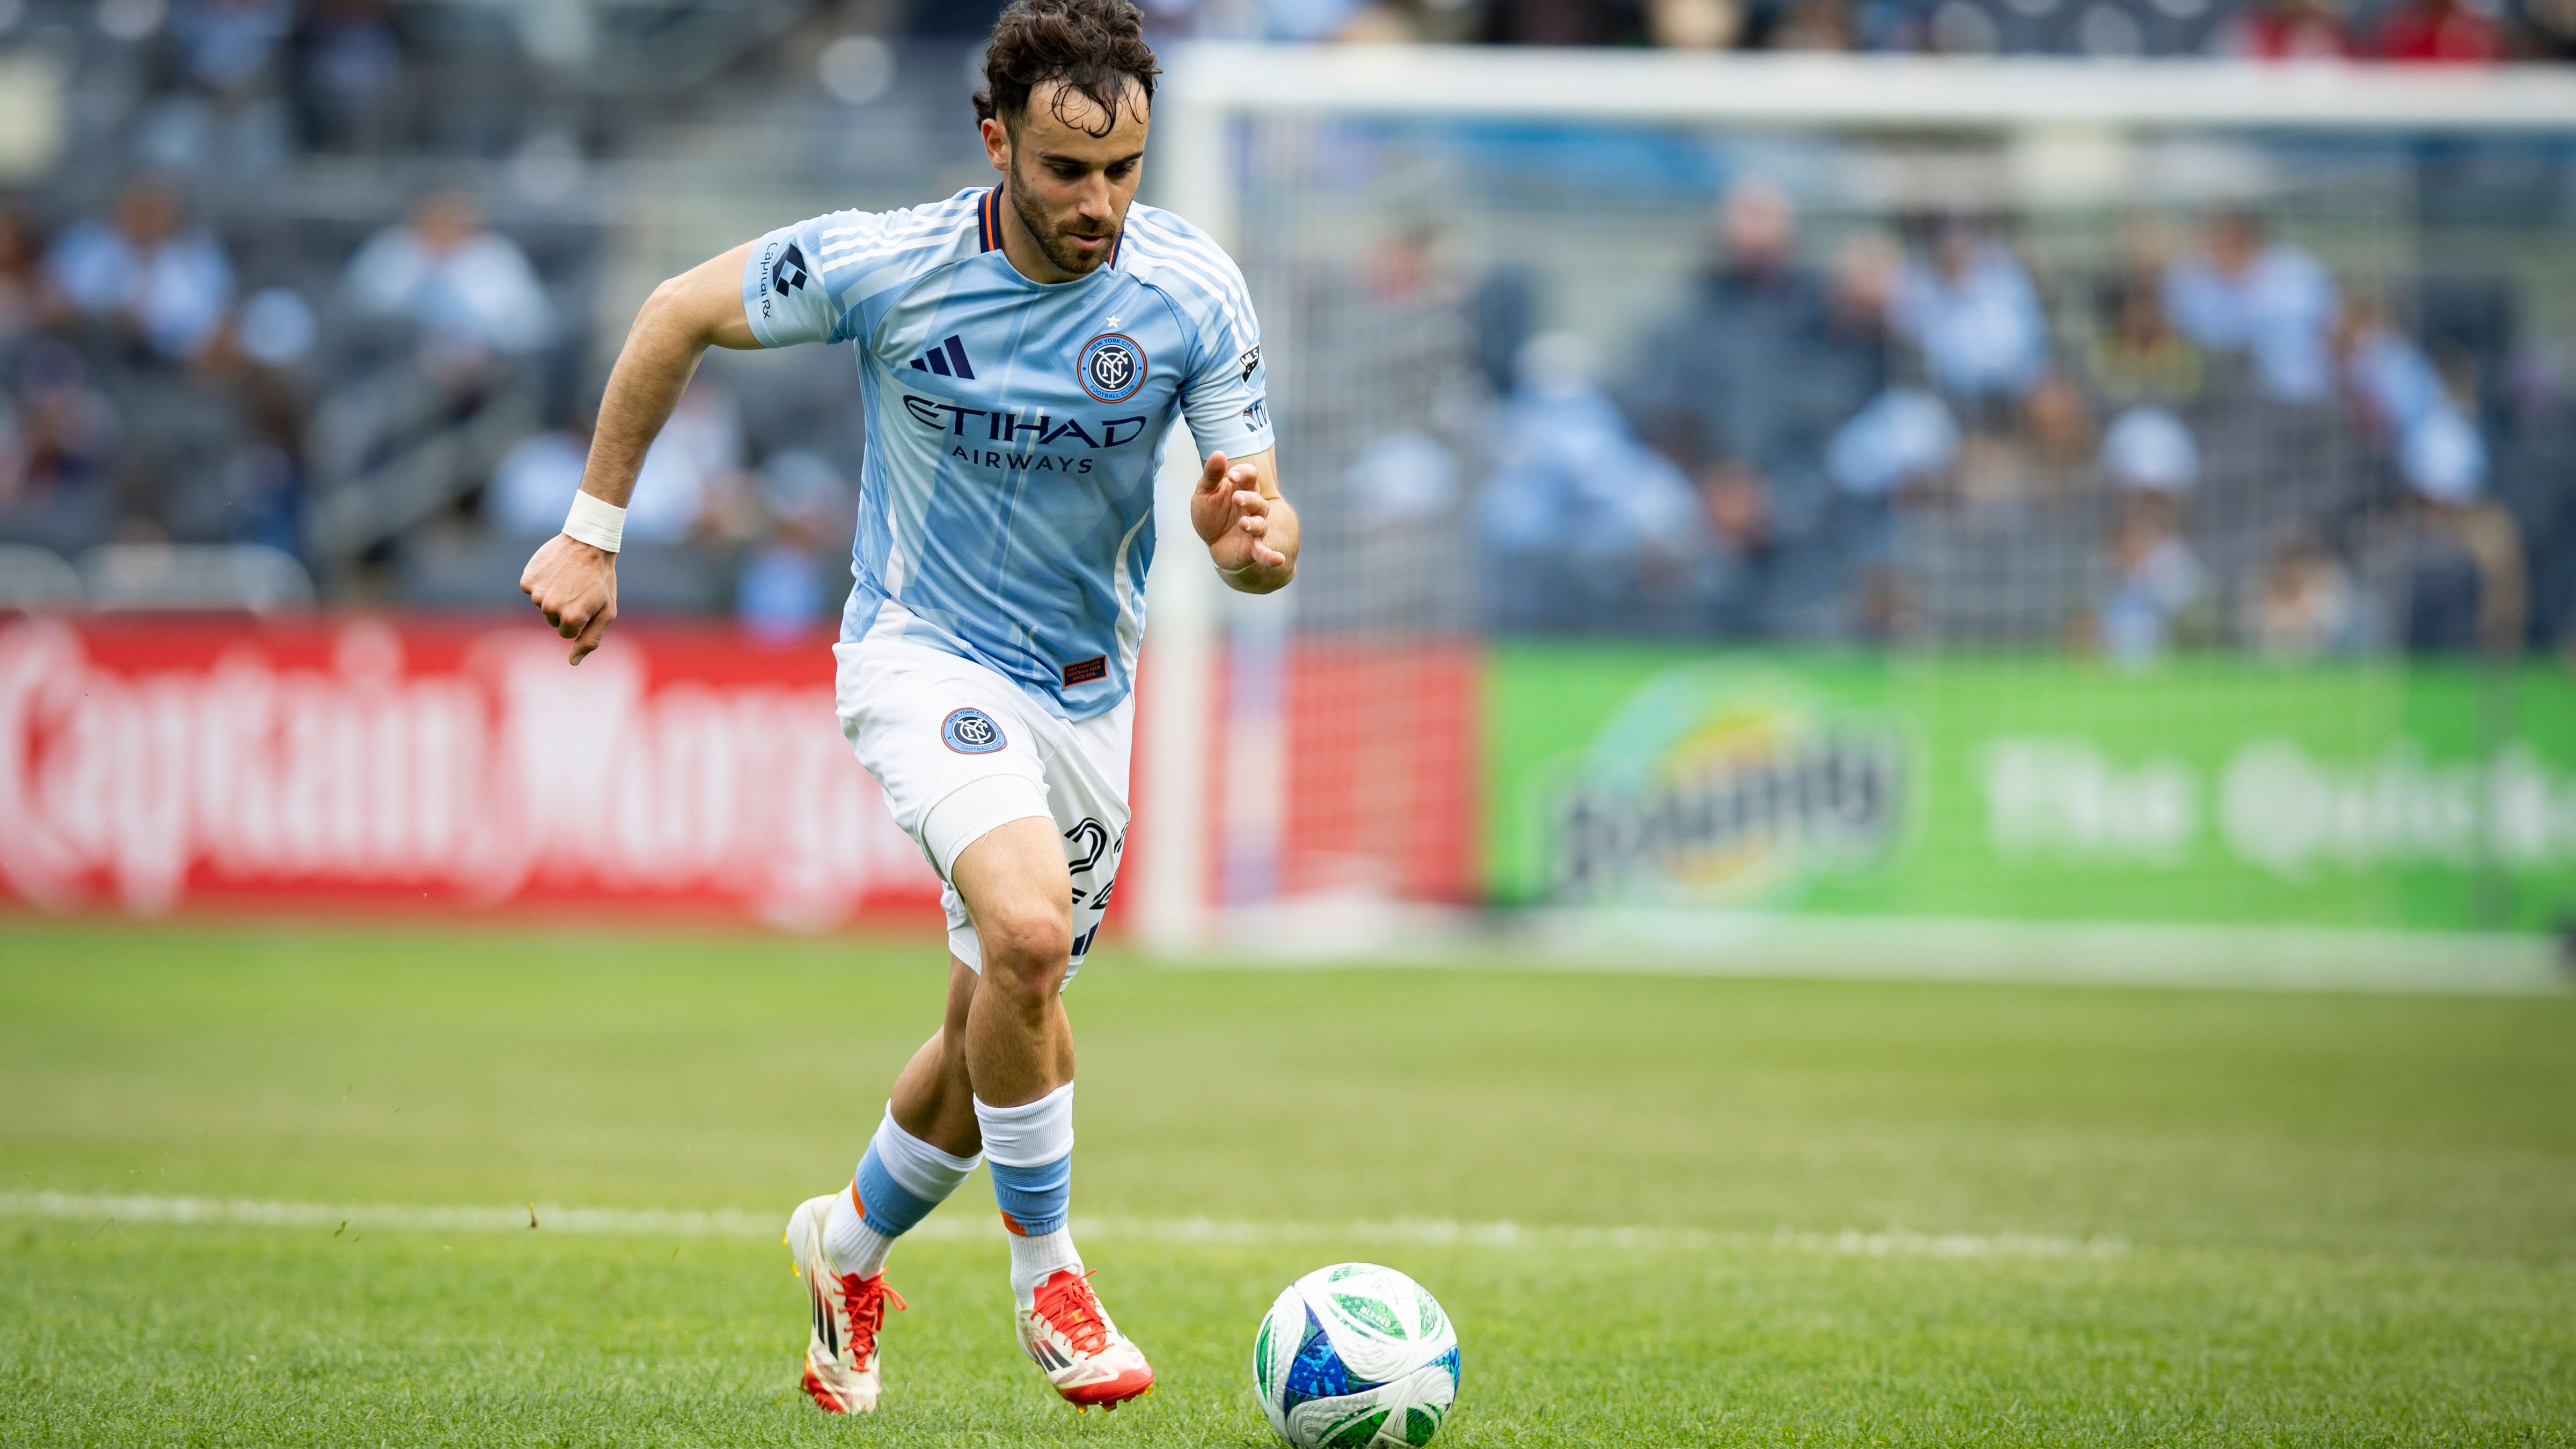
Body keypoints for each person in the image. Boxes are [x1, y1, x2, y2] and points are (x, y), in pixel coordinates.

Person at [516, 0, 1293, 1417]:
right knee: (1029, 933)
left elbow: (1263, 541)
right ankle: (1049, 1277)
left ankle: (848, 1245)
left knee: (996, 1011)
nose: (1100, 203)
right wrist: (592, 530)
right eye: (1067, 171)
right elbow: (674, 309)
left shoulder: (1194, 294)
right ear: (996, 142)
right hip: (918, 658)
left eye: (1123, 169)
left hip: (1086, 699)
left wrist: (1250, 541)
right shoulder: (891, 264)